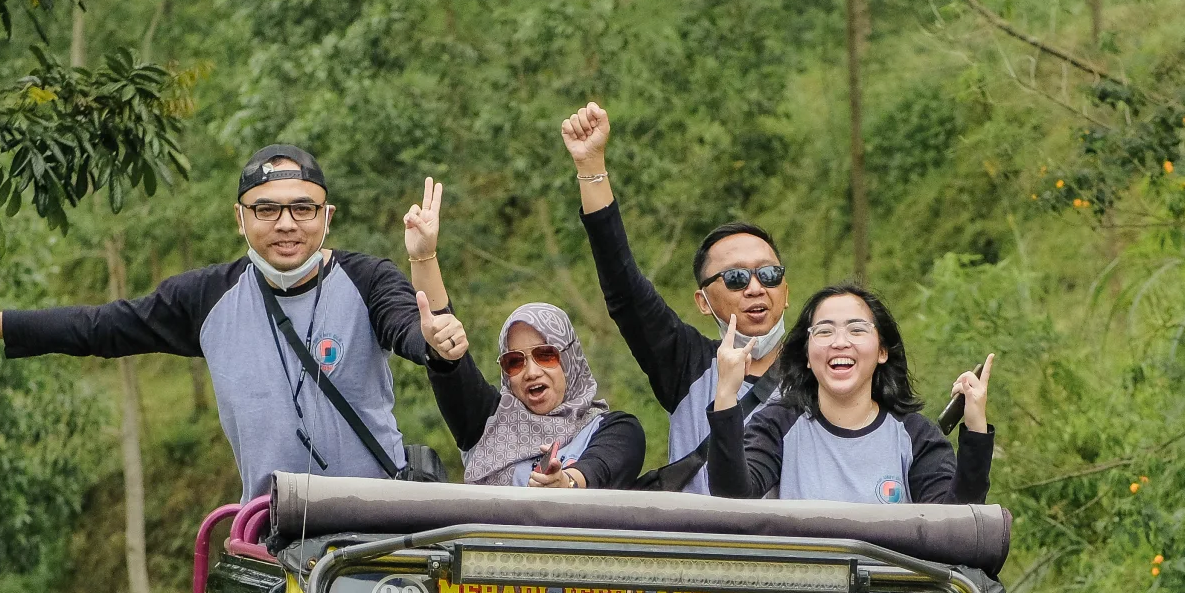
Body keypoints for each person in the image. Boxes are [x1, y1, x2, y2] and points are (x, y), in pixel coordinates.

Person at [0, 145, 432, 500]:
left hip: (379, 524)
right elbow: (100, 327)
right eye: (266, 210)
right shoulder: (207, 297)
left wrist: (432, 334)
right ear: (240, 219)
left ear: (326, 216)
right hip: (272, 532)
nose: (286, 224)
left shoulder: (366, 278)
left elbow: (414, 332)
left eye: (302, 209)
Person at [558, 103, 792, 493]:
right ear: (703, 302)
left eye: (768, 274)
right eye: (735, 278)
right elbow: (625, 290)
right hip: (695, 534)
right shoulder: (687, 364)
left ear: (786, 292)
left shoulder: (822, 371)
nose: (755, 288)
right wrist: (591, 167)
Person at [400, 179, 643, 489]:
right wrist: (424, 258)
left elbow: (600, 468)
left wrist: (565, 484)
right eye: (514, 362)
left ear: (569, 359)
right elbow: (446, 349)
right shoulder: (487, 422)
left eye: (545, 355)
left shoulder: (613, 429)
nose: (530, 372)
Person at [706, 284, 994, 506]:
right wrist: (726, 394)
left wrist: (976, 431)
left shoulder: (915, 436)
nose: (840, 342)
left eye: (857, 330)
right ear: (807, 355)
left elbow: (954, 524)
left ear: (882, 351)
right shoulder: (778, 425)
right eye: (824, 331)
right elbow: (733, 496)